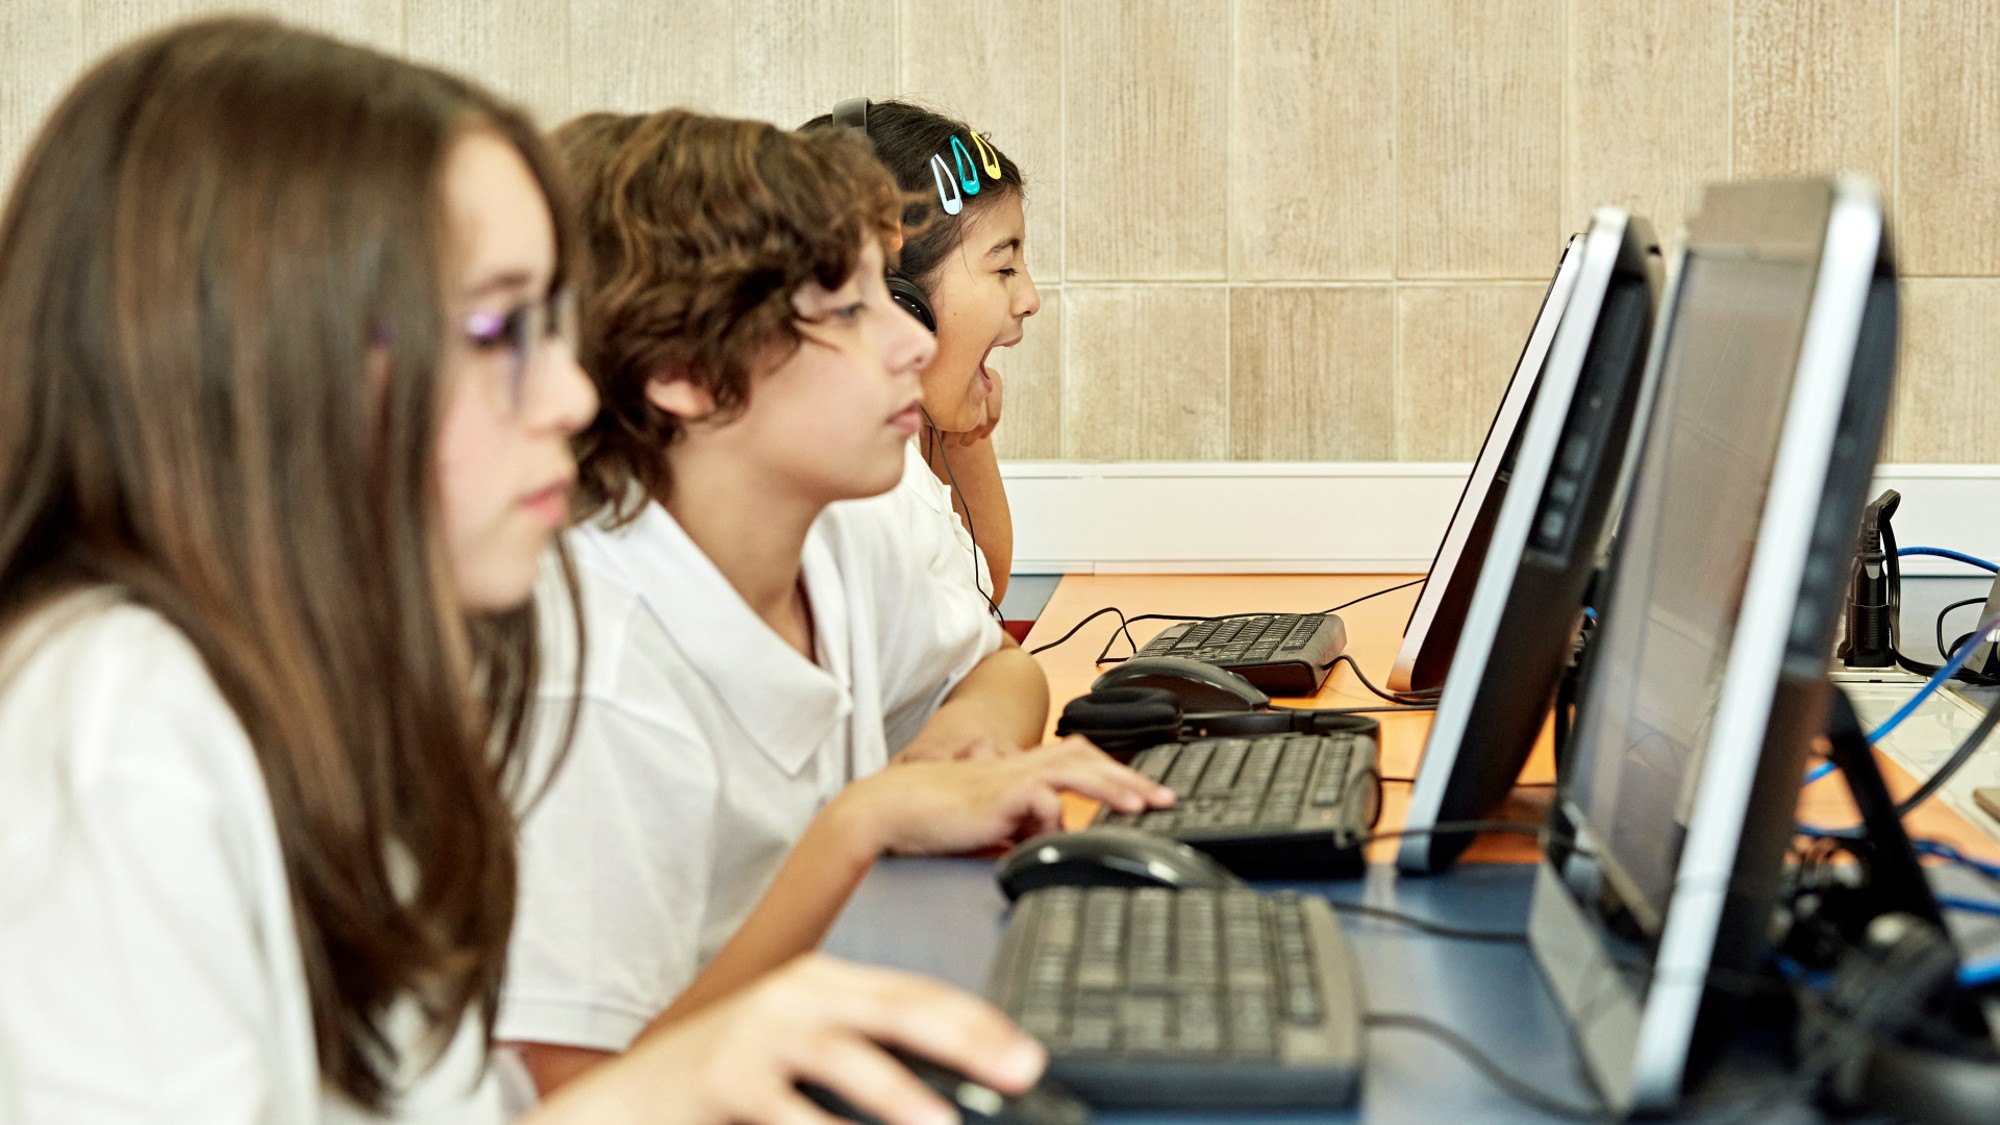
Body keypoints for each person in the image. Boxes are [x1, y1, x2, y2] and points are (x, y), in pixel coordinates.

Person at [0, 19, 1048, 1124]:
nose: (565, 394)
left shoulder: (356, 674)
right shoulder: (122, 725)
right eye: (500, 326)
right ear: (266, 352)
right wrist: (688, 1070)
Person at [500, 108, 1174, 1095]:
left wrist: (958, 762)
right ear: (686, 373)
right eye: (851, 308)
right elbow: (589, 1097)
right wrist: (862, 824)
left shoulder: (847, 517)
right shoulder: (588, 675)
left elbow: (994, 663)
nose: (910, 340)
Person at [805, 99, 1041, 605]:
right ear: (895, 296)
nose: (1029, 299)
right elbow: (979, 637)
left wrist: (957, 431)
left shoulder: (894, 457)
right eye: (1003, 267)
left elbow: (980, 594)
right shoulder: (861, 487)